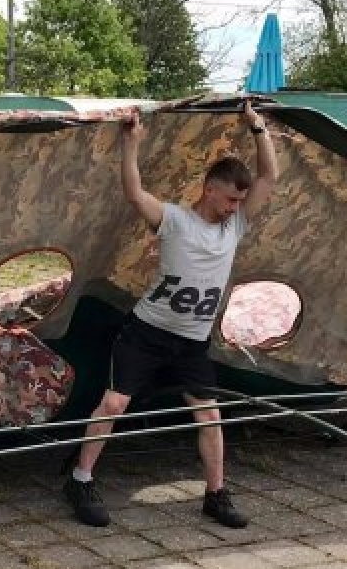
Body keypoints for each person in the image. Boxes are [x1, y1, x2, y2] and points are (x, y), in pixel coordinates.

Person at [64, 101, 279, 530]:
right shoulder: (176, 220)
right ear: (209, 189)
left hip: (192, 343)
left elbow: (270, 177)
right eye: (231, 199)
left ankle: (216, 494)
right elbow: (133, 194)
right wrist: (132, 145)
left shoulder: (234, 229)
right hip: (146, 334)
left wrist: (257, 127)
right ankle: (80, 479)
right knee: (114, 402)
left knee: (210, 414)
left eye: (241, 200)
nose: (236, 207)